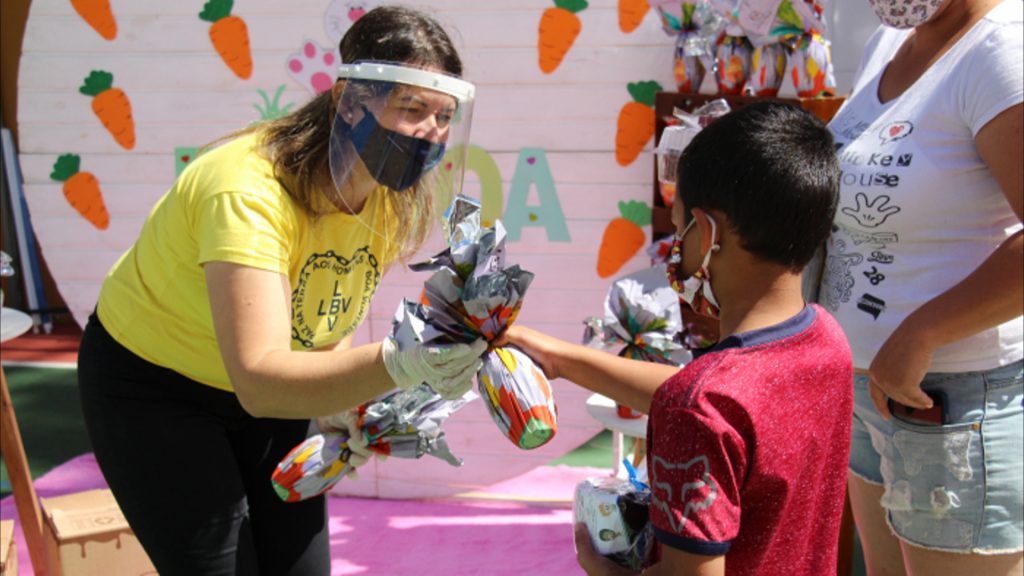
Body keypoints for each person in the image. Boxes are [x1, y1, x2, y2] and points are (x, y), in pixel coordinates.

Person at [76, 6, 487, 575]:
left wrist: (344, 406)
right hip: (158, 388)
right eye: (412, 109)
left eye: (444, 117)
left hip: (268, 389)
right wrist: (401, 362)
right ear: (349, 101)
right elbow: (261, 380)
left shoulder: (389, 195)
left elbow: (326, 318)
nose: (430, 134)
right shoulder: (245, 190)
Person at [505, 102, 852, 575]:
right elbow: (720, 405)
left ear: (707, 233)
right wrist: (560, 359)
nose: (675, 246)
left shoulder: (700, 405)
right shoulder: (826, 339)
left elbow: (700, 406)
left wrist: (602, 569)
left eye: (678, 227)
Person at [818, 0, 1023, 573]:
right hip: (870, 391)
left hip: (955, 403)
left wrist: (921, 334)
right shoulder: (891, 42)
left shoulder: (1002, 50)